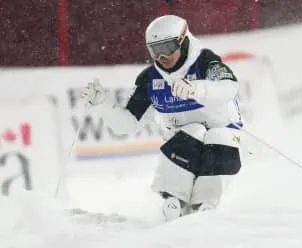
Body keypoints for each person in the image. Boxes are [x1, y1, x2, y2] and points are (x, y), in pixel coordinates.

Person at [80, 15, 243, 221]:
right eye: (155, 51)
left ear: (182, 42)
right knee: (193, 131)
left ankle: (206, 205)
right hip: (183, 141)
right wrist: (102, 106)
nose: (161, 57)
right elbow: (128, 124)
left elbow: (230, 86)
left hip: (223, 135)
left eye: (167, 48)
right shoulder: (150, 79)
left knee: (218, 136)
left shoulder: (204, 61)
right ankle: (173, 199)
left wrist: (197, 89)